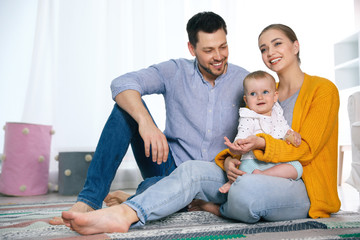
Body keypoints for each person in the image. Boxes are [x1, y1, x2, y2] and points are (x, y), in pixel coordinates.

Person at [60, 23, 341, 235]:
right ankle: (126, 212)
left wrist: (258, 145)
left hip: (300, 183)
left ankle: (194, 203)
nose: (270, 53)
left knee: (247, 191)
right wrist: (230, 159)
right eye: (264, 49)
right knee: (193, 170)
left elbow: (306, 149)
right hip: (241, 169)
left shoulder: (321, 89)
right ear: (192, 49)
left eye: (277, 44)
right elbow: (244, 138)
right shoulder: (266, 90)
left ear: (295, 45)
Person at [49, 11, 249, 225]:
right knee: (125, 109)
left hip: (215, 178)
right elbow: (122, 83)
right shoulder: (175, 70)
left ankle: (142, 197)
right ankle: (89, 201)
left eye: (223, 47)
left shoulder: (245, 81)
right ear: (192, 49)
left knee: (154, 188)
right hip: (169, 167)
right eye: (208, 50)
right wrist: (146, 123)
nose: (218, 56)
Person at [217, 70, 302, 194]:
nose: (260, 97)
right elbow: (242, 134)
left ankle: (262, 175)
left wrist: (293, 135)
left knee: (297, 168)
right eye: (253, 94)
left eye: (265, 92)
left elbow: (285, 130)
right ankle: (237, 181)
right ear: (246, 100)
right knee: (242, 170)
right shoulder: (248, 116)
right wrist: (236, 146)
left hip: (276, 163)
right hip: (252, 162)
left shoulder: (277, 112)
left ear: (275, 96)